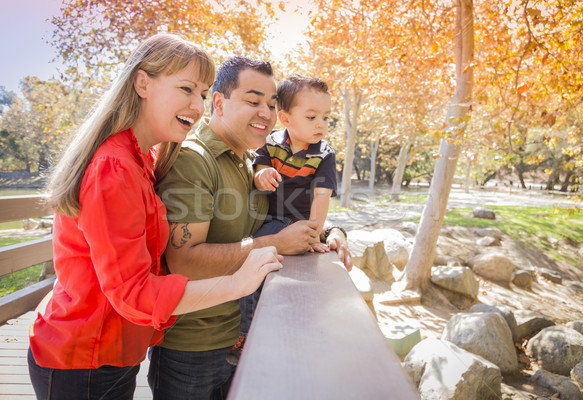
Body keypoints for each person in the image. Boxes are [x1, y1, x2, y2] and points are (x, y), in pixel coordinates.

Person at [27, 34, 282, 400]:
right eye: (186, 89)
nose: (197, 106)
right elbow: (132, 292)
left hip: (116, 351)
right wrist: (239, 283)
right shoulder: (114, 166)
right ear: (142, 83)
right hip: (83, 356)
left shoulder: (141, 159)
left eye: (202, 92)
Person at [149, 56, 351, 400]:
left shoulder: (250, 161)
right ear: (218, 102)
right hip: (194, 349)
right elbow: (184, 261)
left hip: (245, 340)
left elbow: (286, 210)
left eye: (271, 105)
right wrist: (276, 243)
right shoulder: (193, 160)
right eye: (252, 101)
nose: (266, 113)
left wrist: (332, 232)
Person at [226, 73, 338, 365]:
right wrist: (261, 174)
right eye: (312, 116)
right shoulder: (272, 142)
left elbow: (321, 196)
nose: (321, 125)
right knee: (257, 273)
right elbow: (261, 163)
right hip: (268, 219)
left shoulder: (323, 154)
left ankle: (273, 337)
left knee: (268, 269)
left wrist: (314, 232)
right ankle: (246, 332)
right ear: (286, 119)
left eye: (326, 117)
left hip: (295, 222)